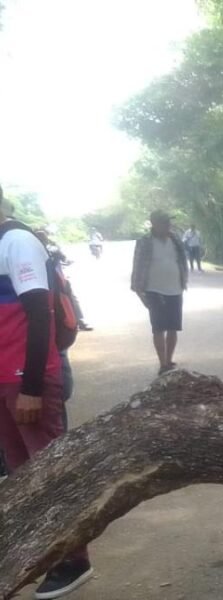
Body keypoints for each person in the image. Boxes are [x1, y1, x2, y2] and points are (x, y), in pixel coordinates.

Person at [0, 185, 94, 599]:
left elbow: (40, 313)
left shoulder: (17, 241)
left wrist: (33, 387)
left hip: (26, 378)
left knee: (51, 472)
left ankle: (74, 560)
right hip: (4, 378)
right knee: (24, 475)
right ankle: (43, 552)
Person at [131, 211, 188, 376]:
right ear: (154, 224)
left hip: (175, 288)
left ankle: (169, 360)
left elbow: (182, 260)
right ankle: (162, 363)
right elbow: (137, 264)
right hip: (154, 290)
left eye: (168, 222)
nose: (168, 225)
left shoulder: (175, 239)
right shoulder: (144, 242)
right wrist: (138, 290)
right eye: (164, 222)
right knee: (158, 328)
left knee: (173, 327)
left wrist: (184, 280)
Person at [34, 229, 92, 332]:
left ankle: (78, 321)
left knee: (69, 298)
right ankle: (79, 321)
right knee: (70, 299)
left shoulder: (36, 250)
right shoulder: (52, 249)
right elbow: (65, 259)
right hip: (56, 282)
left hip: (46, 282)